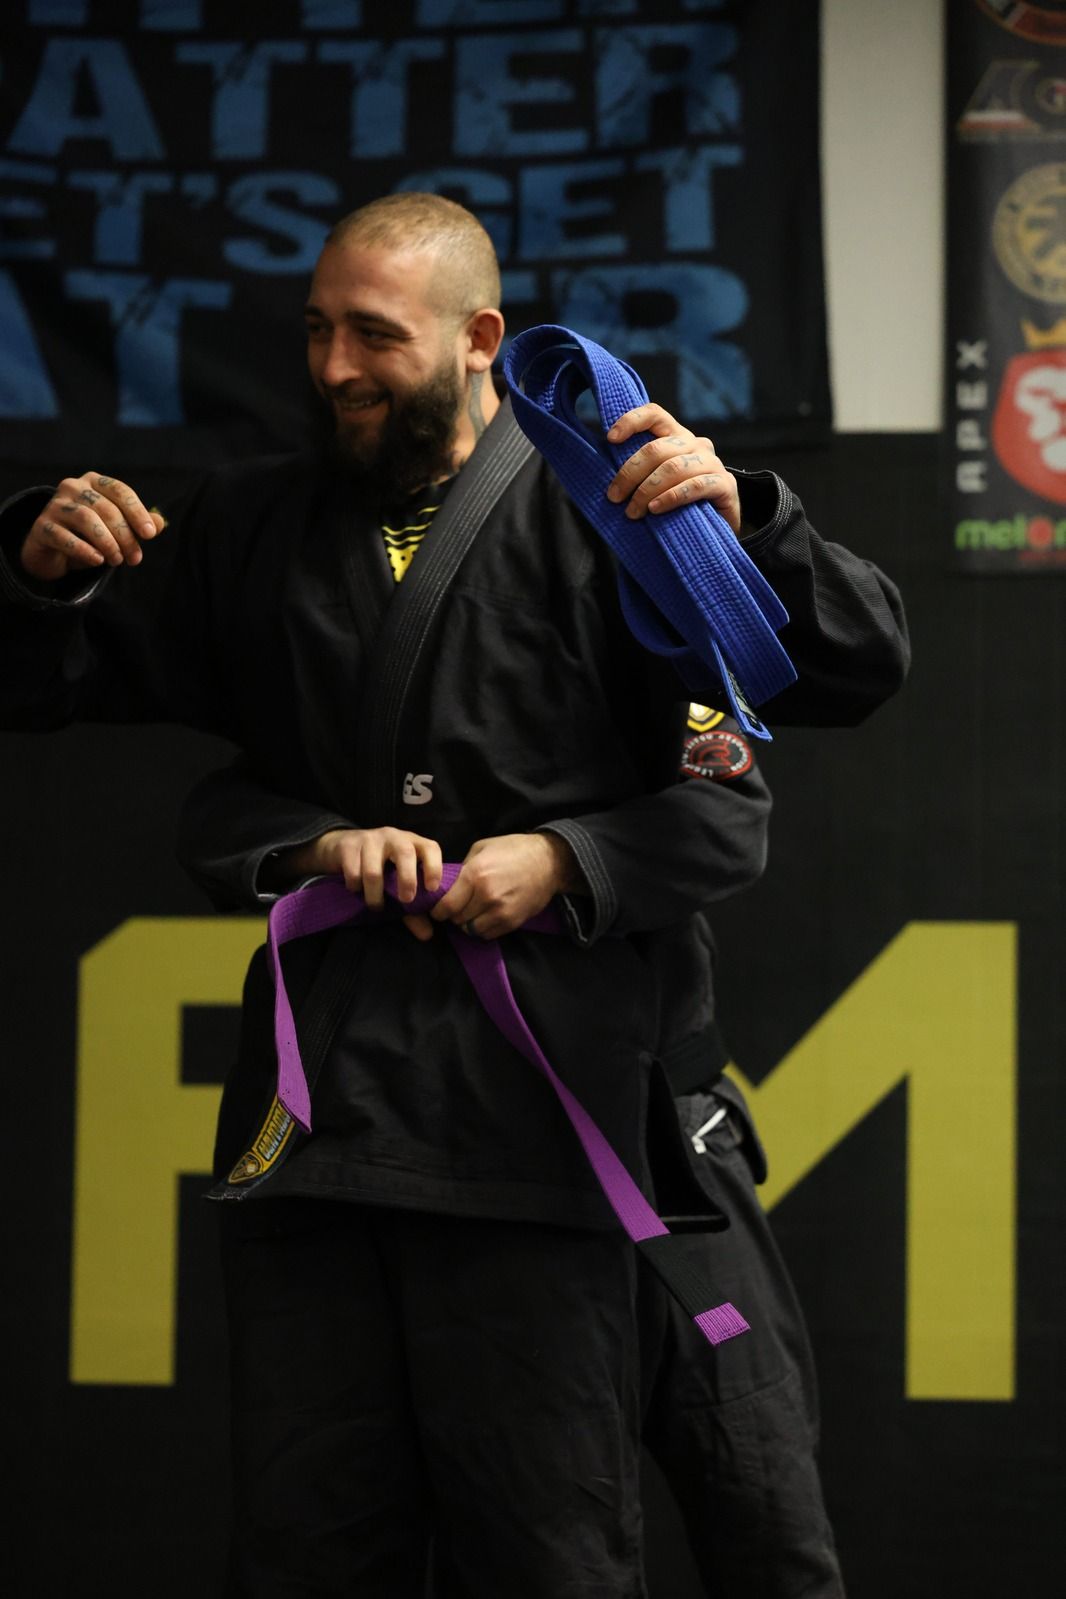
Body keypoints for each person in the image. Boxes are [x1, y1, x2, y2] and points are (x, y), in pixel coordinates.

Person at [0, 193, 908, 1597]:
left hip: (542, 1124)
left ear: (481, 338)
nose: (335, 369)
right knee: (308, 1544)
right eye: (315, 333)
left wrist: (572, 852)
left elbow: (826, 688)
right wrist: (36, 570)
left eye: (373, 335)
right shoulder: (254, 522)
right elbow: (52, 682)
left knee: (549, 1544)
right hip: (323, 1127)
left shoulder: (606, 505)